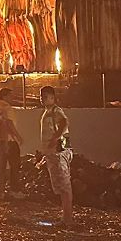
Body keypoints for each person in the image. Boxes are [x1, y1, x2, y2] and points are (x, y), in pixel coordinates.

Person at [39, 86, 73, 223]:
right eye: (41, 96)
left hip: (58, 153)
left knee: (64, 186)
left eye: (45, 96)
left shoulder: (56, 111)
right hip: (53, 153)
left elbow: (64, 122)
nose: (42, 99)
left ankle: (67, 219)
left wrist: (55, 139)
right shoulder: (47, 112)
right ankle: (66, 217)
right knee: (61, 186)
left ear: (52, 97)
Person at [0, 88, 23, 191]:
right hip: (10, 141)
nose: (12, 98)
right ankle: (14, 189)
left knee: (1, 166)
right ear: (5, 96)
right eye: (10, 95)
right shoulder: (8, 109)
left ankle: (0, 190)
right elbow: (9, 124)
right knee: (15, 166)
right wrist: (17, 136)